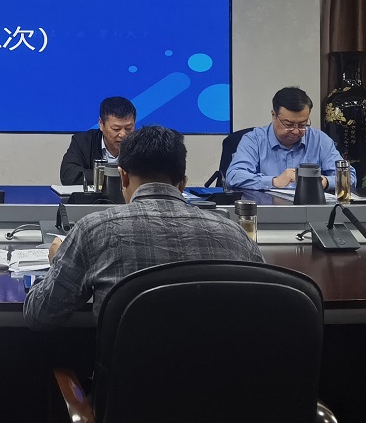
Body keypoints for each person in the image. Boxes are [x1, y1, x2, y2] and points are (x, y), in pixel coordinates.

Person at [25, 125, 263, 329]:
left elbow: (39, 315)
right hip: (217, 370)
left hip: (128, 371)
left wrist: (58, 263)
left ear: (123, 177)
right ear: (183, 184)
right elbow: (264, 314)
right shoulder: (235, 235)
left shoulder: (94, 230)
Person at [223, 86, 355, 192]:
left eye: (302, 124)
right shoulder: (254, 140)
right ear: (274, 116)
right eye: (289, 124)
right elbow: (234, 176)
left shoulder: (319, 140)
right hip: (266, 211)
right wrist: (274, 181)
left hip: (310, 211)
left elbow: (350, 177)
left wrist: (325, 182)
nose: (296, 131)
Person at [59, 96, 137, 185]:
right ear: (101, 124)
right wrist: (112, 177)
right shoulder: (83, 142)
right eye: (116, 129)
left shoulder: (141, 144)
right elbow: (68, 175)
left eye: (128, 128)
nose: (123, 134)